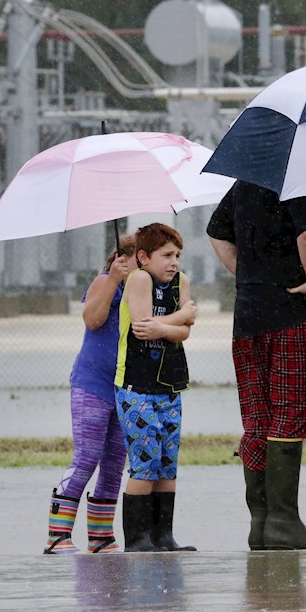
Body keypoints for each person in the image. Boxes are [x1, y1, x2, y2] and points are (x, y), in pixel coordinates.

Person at [207, 181, 306, 551]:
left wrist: (251, 275)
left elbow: (216, 232)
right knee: (288, 410)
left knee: (257, 415)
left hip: (248, 315)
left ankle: (261, 523)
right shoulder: (300, 178)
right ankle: (283, 521)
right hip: (289, 313)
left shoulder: (245, 181)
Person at [44, 236, 135, 555]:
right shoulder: (105, 281)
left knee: (114, 463)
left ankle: (100, 536)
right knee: (87, 456)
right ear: (129, 257)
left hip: (124, 388)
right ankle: (57, 535)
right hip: (92, 384)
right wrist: (113, 278)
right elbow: (93, 319)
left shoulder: (141, 292)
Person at [115, 222, 197, 552]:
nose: (174, 261)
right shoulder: (139, 278)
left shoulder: (182, 282)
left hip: (169, 384)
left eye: (177, 254)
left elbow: (184, 334)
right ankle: (137, 540)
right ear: (144, 257)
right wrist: (183, 316)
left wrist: (175, 324)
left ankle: (164, 536)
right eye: (166, 255)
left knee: (166, 462)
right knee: (145, 462)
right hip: (137, 386)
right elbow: (143, 327)